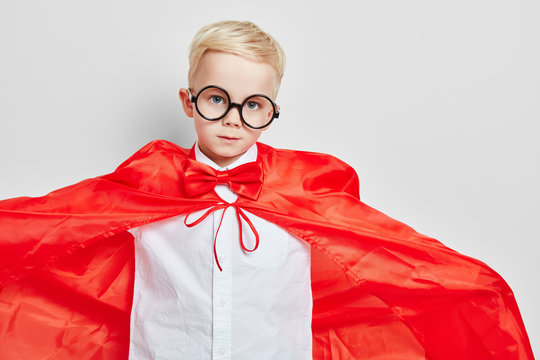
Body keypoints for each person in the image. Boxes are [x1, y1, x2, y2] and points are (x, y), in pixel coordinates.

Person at [0, 20, 534, 360]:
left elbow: (390, 253)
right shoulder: (149, 184)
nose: (233, 119)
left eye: (253, 105)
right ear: (188, 101)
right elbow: (58, 222)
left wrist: (472, 288)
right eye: (216, 99)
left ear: (272, 110)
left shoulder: (305, 190)